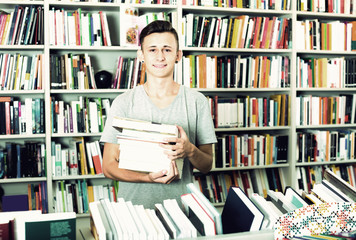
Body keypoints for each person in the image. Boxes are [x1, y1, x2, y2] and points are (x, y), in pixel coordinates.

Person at [100, 20, 217, 209]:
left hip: (182, 210)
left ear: (178, 55)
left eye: (167, 50)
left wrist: (189, 150)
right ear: (141, 55)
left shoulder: (197, 101)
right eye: (152, 49)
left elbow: (207, 165)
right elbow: (108, 166)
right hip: (133, 211)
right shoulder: (123, 102)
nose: (160, 57)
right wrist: (147, 178)